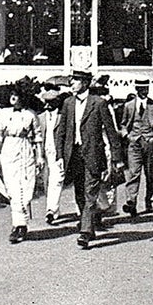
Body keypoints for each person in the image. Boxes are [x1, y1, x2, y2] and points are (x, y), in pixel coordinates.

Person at [54, 69, 123, 249]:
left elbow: (111, 131)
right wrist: (60, 155)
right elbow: (61, 132)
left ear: (84, 83)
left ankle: (84, 232)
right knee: (79, 193)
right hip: (73, 154)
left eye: (75, 80)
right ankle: (89, 225)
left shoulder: (98, 103)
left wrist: (117, 157)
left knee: (90, 192)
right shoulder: (68, 103)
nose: (71, 83)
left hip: (93, 154)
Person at [0, 84, 43, 243]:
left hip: (25, 150)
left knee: (26, 188)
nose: (13, 98)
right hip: (9, 149)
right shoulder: (4, 114)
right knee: (13, 188)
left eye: (16, 95)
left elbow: (38, 137)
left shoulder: (30, 115)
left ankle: (22, 223)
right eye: (12, 95)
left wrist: (40, 156)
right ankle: (18, 225)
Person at [115, 78, 153, 216]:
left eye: (146, 89)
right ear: (136, 89)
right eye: (141, 89)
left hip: (150, 143)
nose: (144, 91)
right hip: (134, 144)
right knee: (133, 173)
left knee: (150, 174)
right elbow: (124, 125)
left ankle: (149, 200)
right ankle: (131, 202)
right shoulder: (129, 106)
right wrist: (127, 136)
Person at [39, 83, 68, 225]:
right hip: (45, 153)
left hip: (58, 153)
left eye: (51, 102)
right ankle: (54, 209)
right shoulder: (41, 118)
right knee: (47, 181)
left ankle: (51, 209)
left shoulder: (63, 117)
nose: (48, 105)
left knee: (56, 180)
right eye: (46, 101)